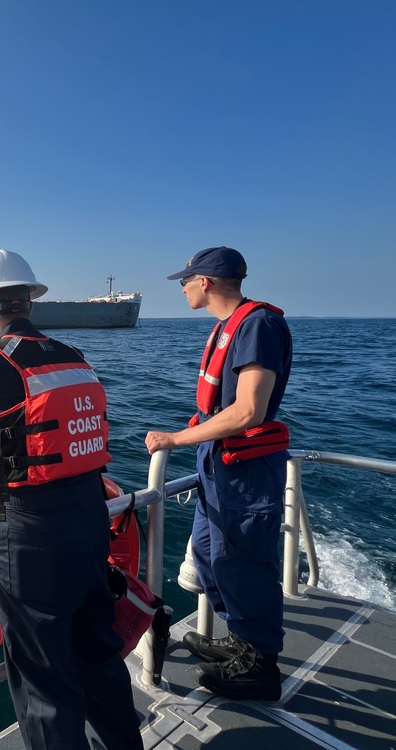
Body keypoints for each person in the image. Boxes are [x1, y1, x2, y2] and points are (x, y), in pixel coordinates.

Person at [0, 249, 143, 750]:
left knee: (44, 687)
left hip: (28, 536)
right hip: (91, 524)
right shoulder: (74, 356)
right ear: (29, 302)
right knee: (98, 657)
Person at [145, 246, 292, 701]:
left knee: (244, 560)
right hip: (218, 469)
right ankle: (242, 640)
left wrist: (172, 439)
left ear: (205, 282)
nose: (183, 289)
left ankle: (261, 665)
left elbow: (249, 409)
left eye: (185, 282)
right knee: (213, 555)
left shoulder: (258, 325)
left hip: (245, 473)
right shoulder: (231, 327)